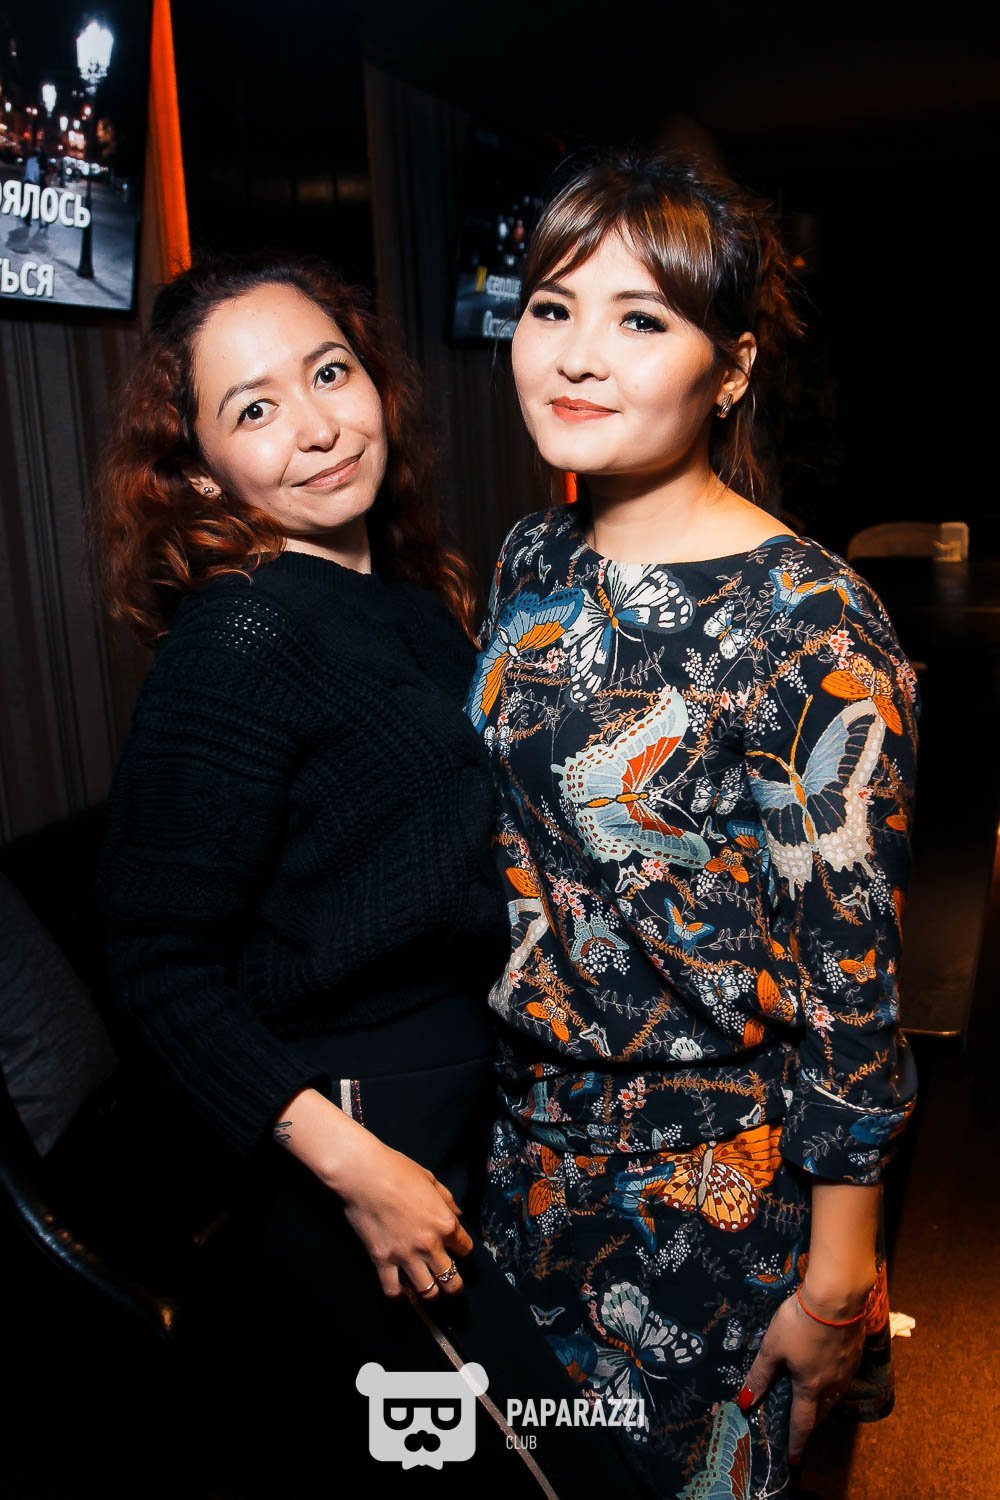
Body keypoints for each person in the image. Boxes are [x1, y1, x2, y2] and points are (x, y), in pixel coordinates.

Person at [92, 252, 623, 1496]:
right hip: (355, 1136)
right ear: (200, 469)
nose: (318, 428)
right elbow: (153, 962)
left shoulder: (400, 599)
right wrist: (358, 1167)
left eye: (329, 374)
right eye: (254, 409)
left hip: (451, 1100)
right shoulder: (244, 631)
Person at [469, 152, 918, 1497]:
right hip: (520, 1159)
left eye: (640, 319)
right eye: (552, 308)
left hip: (708, 1192)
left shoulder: (809, 621)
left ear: (729, 371)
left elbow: (852, 979)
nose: (577, 355)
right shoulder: (530, 559)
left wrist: (837, 1279)